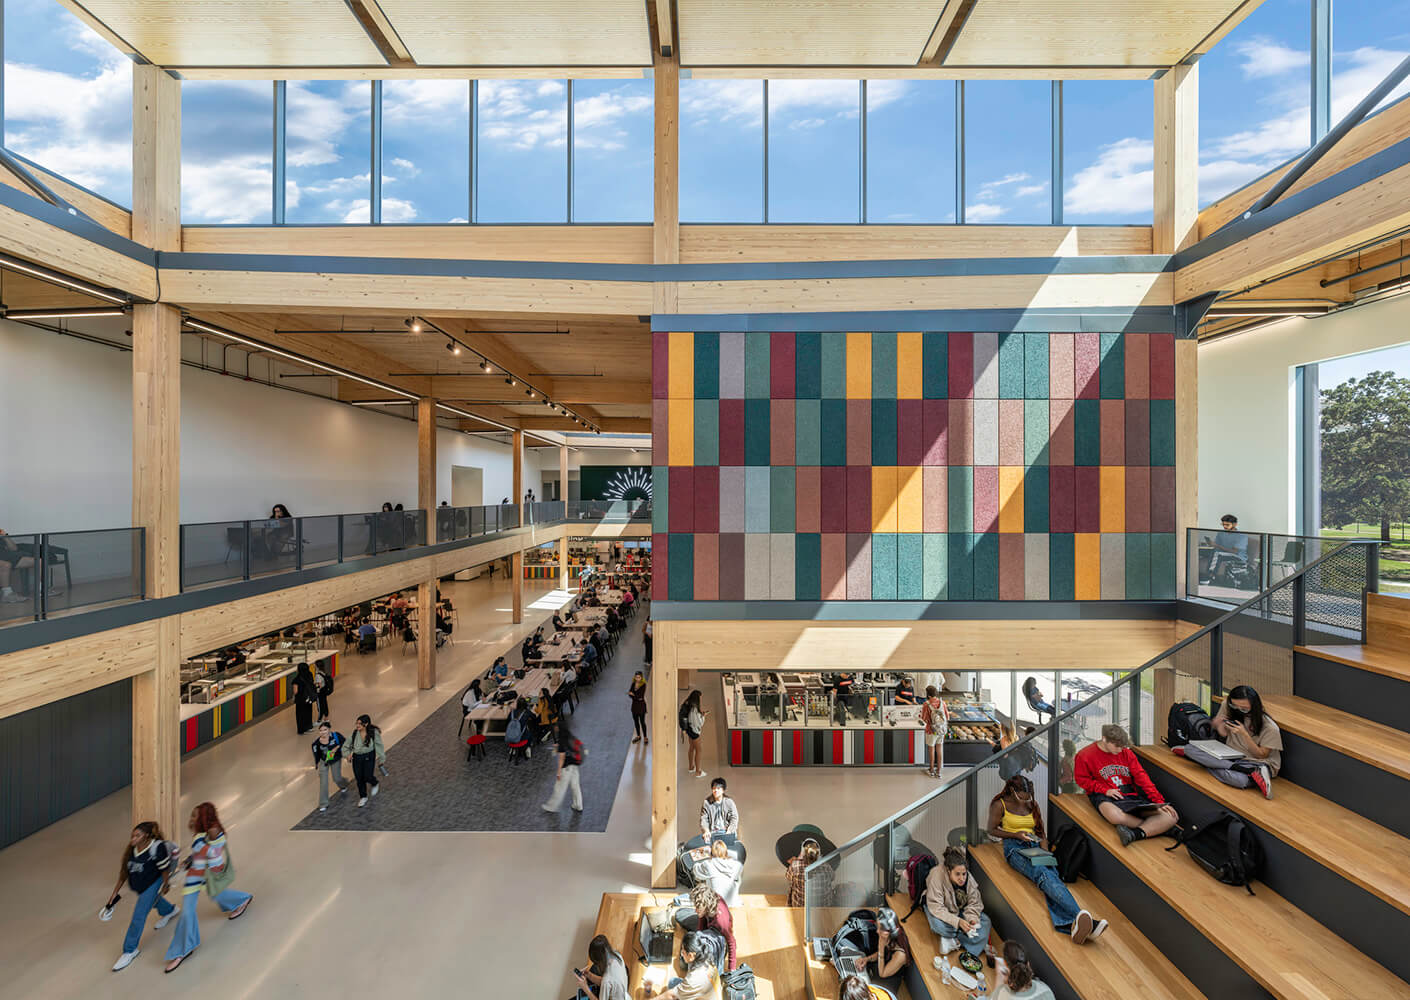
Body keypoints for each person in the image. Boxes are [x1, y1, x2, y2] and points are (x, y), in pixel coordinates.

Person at [988, 775, 1105, 944]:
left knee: (1052, 874)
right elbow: (992, 830)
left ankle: (1070, 924)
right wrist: (1015, 834)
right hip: (1014, 847)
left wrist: (1045, 851)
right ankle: (1082, 919)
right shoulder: (1000, 805)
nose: (1026, 800)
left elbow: (1041, 833)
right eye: (1022, 796)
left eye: (1028, 797)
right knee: (1041, 873)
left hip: (1034, 846)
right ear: (1013, 791)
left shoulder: (1032, 805)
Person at [163, 802, 253, 973]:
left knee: (216, 895)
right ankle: (183, 949)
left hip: (207, 874)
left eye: (194, 816)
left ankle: (242, 899)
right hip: (194, 875)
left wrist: (201, 852)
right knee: (188, 911)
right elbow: (200, 851)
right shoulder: (201, 832)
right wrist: (190, 860)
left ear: (205, 817)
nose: (191, 819)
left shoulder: (213, 831)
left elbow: (213, 852)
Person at [1074, 724, 1179, 846]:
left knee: (1171, 816)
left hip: (1129, 795)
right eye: (1116, 746)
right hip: (1104, 795)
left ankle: (1135, 834)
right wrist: (1105, 790)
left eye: (1122, 747)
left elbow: (1142, 778)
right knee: (1113, 816)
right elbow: (1082, 780)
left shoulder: (1126, 753)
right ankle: (1161, 829)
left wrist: (1158, 801)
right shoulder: (1085, 755)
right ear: (1104, 739)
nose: (1120, 750)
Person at [1174, 685, 1281, 799]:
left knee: (1240, 781)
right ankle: (1247, 771)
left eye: (1244, 708)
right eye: (1234, 706)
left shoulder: (1270, 728)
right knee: (1191, 748)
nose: (1239, 711)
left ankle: (1207, 763)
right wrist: (1218, 723)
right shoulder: (1228, 706)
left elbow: (1261, 755)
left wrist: (1244, 734)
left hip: (1257, 762)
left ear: (1255, 706)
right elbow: (1223, 733)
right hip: (1232, 756)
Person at [105, 821, 179, 971]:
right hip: (141, 884)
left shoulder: (157, 848)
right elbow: (123, 874)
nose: (133, 838)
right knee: (152, 902)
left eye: (137, 835)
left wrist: (165, 884)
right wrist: (114, 894)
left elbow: (164, 869)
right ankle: (170, 910)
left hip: (154, 882)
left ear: (146, 836)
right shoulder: (131, 850)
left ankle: (129, 950)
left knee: (139, 915)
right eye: (132, 835)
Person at [925, 846, 991, 959]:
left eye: (964, 874)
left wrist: (972, 919)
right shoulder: (936, 875)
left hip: (959, 911)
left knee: (986, 921)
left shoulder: (968, 877)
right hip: (941, 910)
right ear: (948, 871)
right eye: (957, 874)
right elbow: (936, 907)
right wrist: (958, 922)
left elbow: (975, 902)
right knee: (938, 926)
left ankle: (953, 940)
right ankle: (964, 938)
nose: (962, 878)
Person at [644, 931, 718, 1000]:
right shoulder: (705, 955)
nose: (681, 955)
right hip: (708, 992)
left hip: (701, 994)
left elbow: (671, 995)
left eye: (683, 952)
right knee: (672, 982)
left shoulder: (693, 979)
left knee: (672, 990)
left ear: (691, 955)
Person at [851, 906, 908, 995]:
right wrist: (866, 959)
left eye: (881, 929)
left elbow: (882, 973)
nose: (877, 931)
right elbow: (882, 954)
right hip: (879, 968)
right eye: (878, 927)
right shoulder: (888, 936)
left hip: (887, 982)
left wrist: (881, 947)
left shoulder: (901, 955)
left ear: (890, 930)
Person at [981, 941, 1056, 1000]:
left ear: (1006, 970)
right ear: (1028, 965)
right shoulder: (1045, 989)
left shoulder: (1002, 993)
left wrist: (999, 979)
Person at [690, 882, 736, 971]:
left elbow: (731, 942)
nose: (695, 910)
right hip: (708, 924)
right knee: (679, 915)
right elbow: (701, 919)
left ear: (706, 906)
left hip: (717, 934)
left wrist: (732, 968)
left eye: (698, 908)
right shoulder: (709, 899)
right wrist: (698, 935)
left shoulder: (721, 922)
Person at [542, 720, 586, 814]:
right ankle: (578, 805)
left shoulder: (561, 740)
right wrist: (558, 747)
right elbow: (569, 748)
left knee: (559, 788)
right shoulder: (570, 736)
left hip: (566, 768)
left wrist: (558, 772)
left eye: (556, 726)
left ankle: (551, 807)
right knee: (575, 786)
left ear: (559, 728)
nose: (555, 728)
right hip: (574, 765)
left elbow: (561, 758)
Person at [571, 934, 629, 1000]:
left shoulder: (607, 981)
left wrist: (586, 989)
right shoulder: (617, 955)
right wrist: (589, 975)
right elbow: (609, 983)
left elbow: (607, 982)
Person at [310, 721, 351, 810]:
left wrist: (337, 749)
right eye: (321, 730)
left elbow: (345, 744)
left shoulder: (336, 736)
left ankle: (344, 784)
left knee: (336, 778)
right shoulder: (316, 743)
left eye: (325, 730)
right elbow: (316, 754)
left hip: (335, 760)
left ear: (329, 730)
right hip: (324, 761)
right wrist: (317, 763)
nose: (323, 732)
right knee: (323, 782)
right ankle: (323, 803)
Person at [345, 714, 385, 807]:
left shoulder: (373, 733)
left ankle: (374, 783)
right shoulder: (354, 734)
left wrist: (382, 758)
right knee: (359, 778)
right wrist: (347, 755)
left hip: (369, 756)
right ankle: (363, 797)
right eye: (357, 723)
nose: (357, 725)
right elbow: (346, 746)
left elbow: (379, 746)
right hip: (357, 758)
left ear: (366, 724)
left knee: (367, 775)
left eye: (360, 724)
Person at [692, 838, 744, 907]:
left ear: (711, 852)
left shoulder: (708, 864)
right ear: (726, 851)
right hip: (733, 903)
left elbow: (695, 870)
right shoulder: (736, 865)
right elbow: (735, 855)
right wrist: (724, 852)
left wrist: (705, 854)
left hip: (716, 905)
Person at [1204, 514, 1250, 585]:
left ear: (1235, 524)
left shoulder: (1242, 536)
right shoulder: (1221, 533)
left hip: (1238, 557)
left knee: (1217, 554)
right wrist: (1210, 544)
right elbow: (1216, 546)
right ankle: (1208, 577)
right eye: (1223, 524)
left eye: (1227, 525)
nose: (1224, 526)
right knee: (1211, 552)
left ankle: (1210, 577)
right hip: (1223, 554)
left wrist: (1217, 546)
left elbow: (1234, 551)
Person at [786, 837, 830, 908]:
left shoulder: (795, 865)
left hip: (800, 907)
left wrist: (795, 861)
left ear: (802, 852)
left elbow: (788, 877)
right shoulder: (826, 866)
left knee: (792, 885)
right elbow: (832, 877)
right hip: (822, 909)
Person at [0, 528, 39, 604]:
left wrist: (5, 536)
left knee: (38, 561)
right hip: (4, 560)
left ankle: (42, 588)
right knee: (6, 565)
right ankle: (7, 594)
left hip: (6, 556)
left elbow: (14, 548)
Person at [919, 685, 950, 777]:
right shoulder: (942, 703)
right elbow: (947, 716)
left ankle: (931, 769)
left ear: (928, 695)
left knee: (931, 749)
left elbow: (925, 719)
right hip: (941, 729)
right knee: (939, 749)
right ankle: (939, 771)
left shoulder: (927, 704)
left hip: (931, 730)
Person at [679, 689, 708, 778]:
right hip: (694, 731)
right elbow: (698, 723)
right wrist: (703, 716)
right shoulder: (694, 709)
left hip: (688, 729)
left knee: (691, 747)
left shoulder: (687, 704)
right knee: (699, 750)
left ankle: (691, 767)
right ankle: (698, 771)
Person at [291, 663, 317, 734]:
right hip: (308, 697)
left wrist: (293, 697)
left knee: (300, 714)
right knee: (308, 712)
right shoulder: (310, 675)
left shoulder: (297, 679)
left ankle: (301, 730)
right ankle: (308, 727)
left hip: (300, 699)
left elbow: (295, 691)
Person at [628, 671, 649, 744]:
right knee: (636, 722)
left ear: (641, 677)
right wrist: (634, 696)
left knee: (642, 722)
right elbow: (630, 694)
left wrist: (633, 695)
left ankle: (645, 737)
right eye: (636, 677)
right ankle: (638, 736)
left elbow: (640, 696)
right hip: (634, 706)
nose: (637, 679)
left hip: (641, 707)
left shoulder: (643, 685)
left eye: (639, 677)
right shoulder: (633, 684)